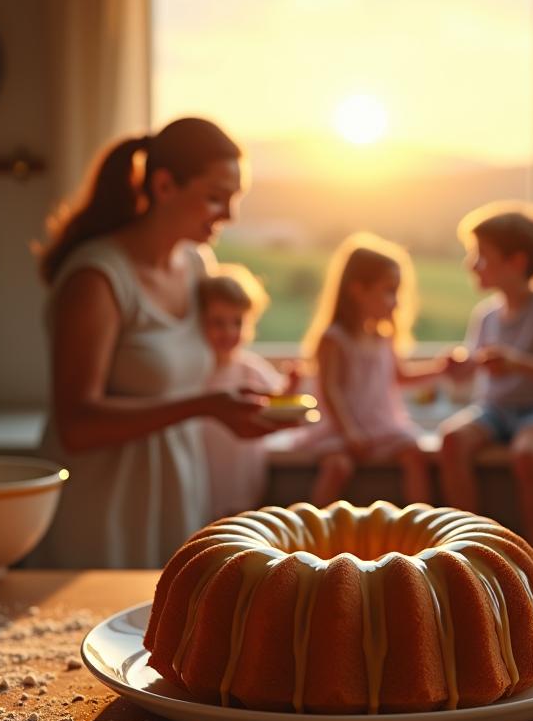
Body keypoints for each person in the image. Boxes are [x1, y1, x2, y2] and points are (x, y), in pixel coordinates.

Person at [32, 117, 285, 569]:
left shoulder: (196, 265)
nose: (229, 215)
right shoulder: (98, 278)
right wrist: (206, 406)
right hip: (102, 508)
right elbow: (76, 423)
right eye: (215, 197)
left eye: (234, 199)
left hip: (177, 492)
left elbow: (208, 364)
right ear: (165, 185)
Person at [439, 202, 533, 549]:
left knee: (528, 455)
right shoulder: (486, 316)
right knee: (451, 441)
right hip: (495, 410)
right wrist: (459, 368)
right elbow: (471, 371)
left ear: (516, 262)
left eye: (481, 255)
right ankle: (466, 549)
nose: (471, 264)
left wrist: (518, 362)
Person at [296, 233, 449, 507]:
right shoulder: (335, 338)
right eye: (389, 290)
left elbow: (400, 376)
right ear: (358, 290)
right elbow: (331, 389)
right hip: (340, 427)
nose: (397, 301)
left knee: (415, 455)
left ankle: (420, 525)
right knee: (338, 467)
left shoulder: (384, 337)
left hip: (380, 425)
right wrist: (350, 430)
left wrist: (441, 368)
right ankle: (317, 530)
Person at [198, 264, 297, 519]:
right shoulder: (196, 372)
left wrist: (293, 384)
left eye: (237, 322)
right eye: (218, 322)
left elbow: (279, 400)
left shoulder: (250, 368)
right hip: (203, 482)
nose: (229, 332)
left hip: (244, 480)